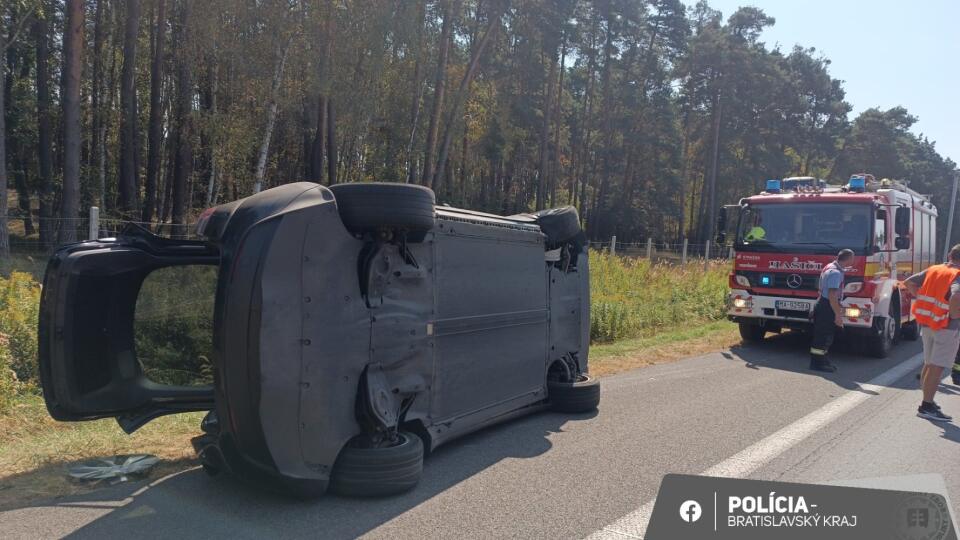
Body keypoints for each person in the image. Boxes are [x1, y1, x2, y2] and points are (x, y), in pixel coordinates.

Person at [904, 244, 960, 422]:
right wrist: (954, 314)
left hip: (928, 323)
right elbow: (956, 296)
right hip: (946, 326)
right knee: (937, 367)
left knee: (929, 364)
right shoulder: (957, 274)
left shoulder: (935, 269)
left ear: (950, 255)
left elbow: (909, 282)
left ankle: (927, 401)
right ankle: (926, 405)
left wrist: (920, 299)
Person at [810, 249, 855, 372]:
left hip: (823, 303)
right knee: (823, 337)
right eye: (853, 258)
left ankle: (822, 360)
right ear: (849, 259)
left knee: (824, 335)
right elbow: (832, 296)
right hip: (827, 306)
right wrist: (838, 315)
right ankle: (817, 364)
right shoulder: (835, 273)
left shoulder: (831, 267)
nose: (854, 260)